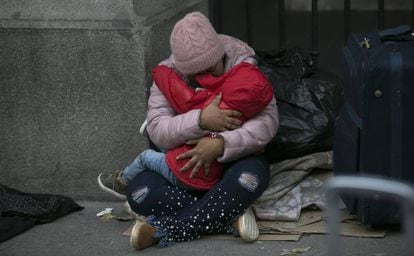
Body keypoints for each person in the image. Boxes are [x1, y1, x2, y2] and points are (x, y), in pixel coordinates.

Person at [107, 11, 278, 250]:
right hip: (181, 164)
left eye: (211, 68)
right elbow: (157, 129)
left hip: (235, 159)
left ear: (221, 56)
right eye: (196, 74)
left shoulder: (245, 71)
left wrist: (221, 143)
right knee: (139, 194)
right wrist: (200, 121)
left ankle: (166, 229)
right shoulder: (168, 76)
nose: (205, 78)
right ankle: (228, 215)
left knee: (247, 181)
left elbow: (267, 123)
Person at [98, 52, 274, 194]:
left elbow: (185, 100)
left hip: (185, 174)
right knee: (171, 147)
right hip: (209, 175)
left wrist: (163, 72)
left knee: (145, 158)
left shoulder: (214, 104)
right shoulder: (242, 115)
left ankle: (121, 182)